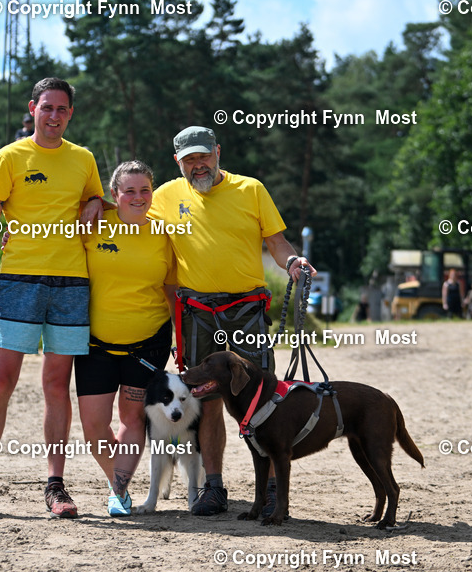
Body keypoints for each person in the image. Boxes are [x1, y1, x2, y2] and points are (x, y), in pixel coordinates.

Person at [0, 77, 105, 520]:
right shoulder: (8, 157)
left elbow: (95, 195)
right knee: (1, 380)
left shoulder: (83, 158)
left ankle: (55, 485)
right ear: (33, 108)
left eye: (62, 109)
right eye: (47, 108)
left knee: (57, 386)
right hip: (19, 282)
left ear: (70, 114)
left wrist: (96, 201)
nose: (54, 116)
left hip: (71, 285)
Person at [151, 126, 314, 516]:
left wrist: (292, 261)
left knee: (265, 399)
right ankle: (214, 487)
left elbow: (276, 241)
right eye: (189, 159)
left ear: (218, 152)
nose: (198, 164)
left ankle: (272, 489)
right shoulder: (165, 196)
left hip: (247, 309)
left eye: (203, 156)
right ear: (178, 162)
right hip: (198, 312)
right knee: (206, 400)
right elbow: (132, 218)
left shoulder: (250, 189)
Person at [75, 160, 177, 516]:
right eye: (129, 191)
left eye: (145, 190)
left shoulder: (165, 233)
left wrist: (180, 337)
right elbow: (49, 230)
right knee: (93, 427)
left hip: (148, 343)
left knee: (132, 419)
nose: (138, 197)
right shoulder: (94, 223)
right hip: (95, 345)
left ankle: (118, 492)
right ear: (114, 194)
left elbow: (171, 290)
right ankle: (115, 481)